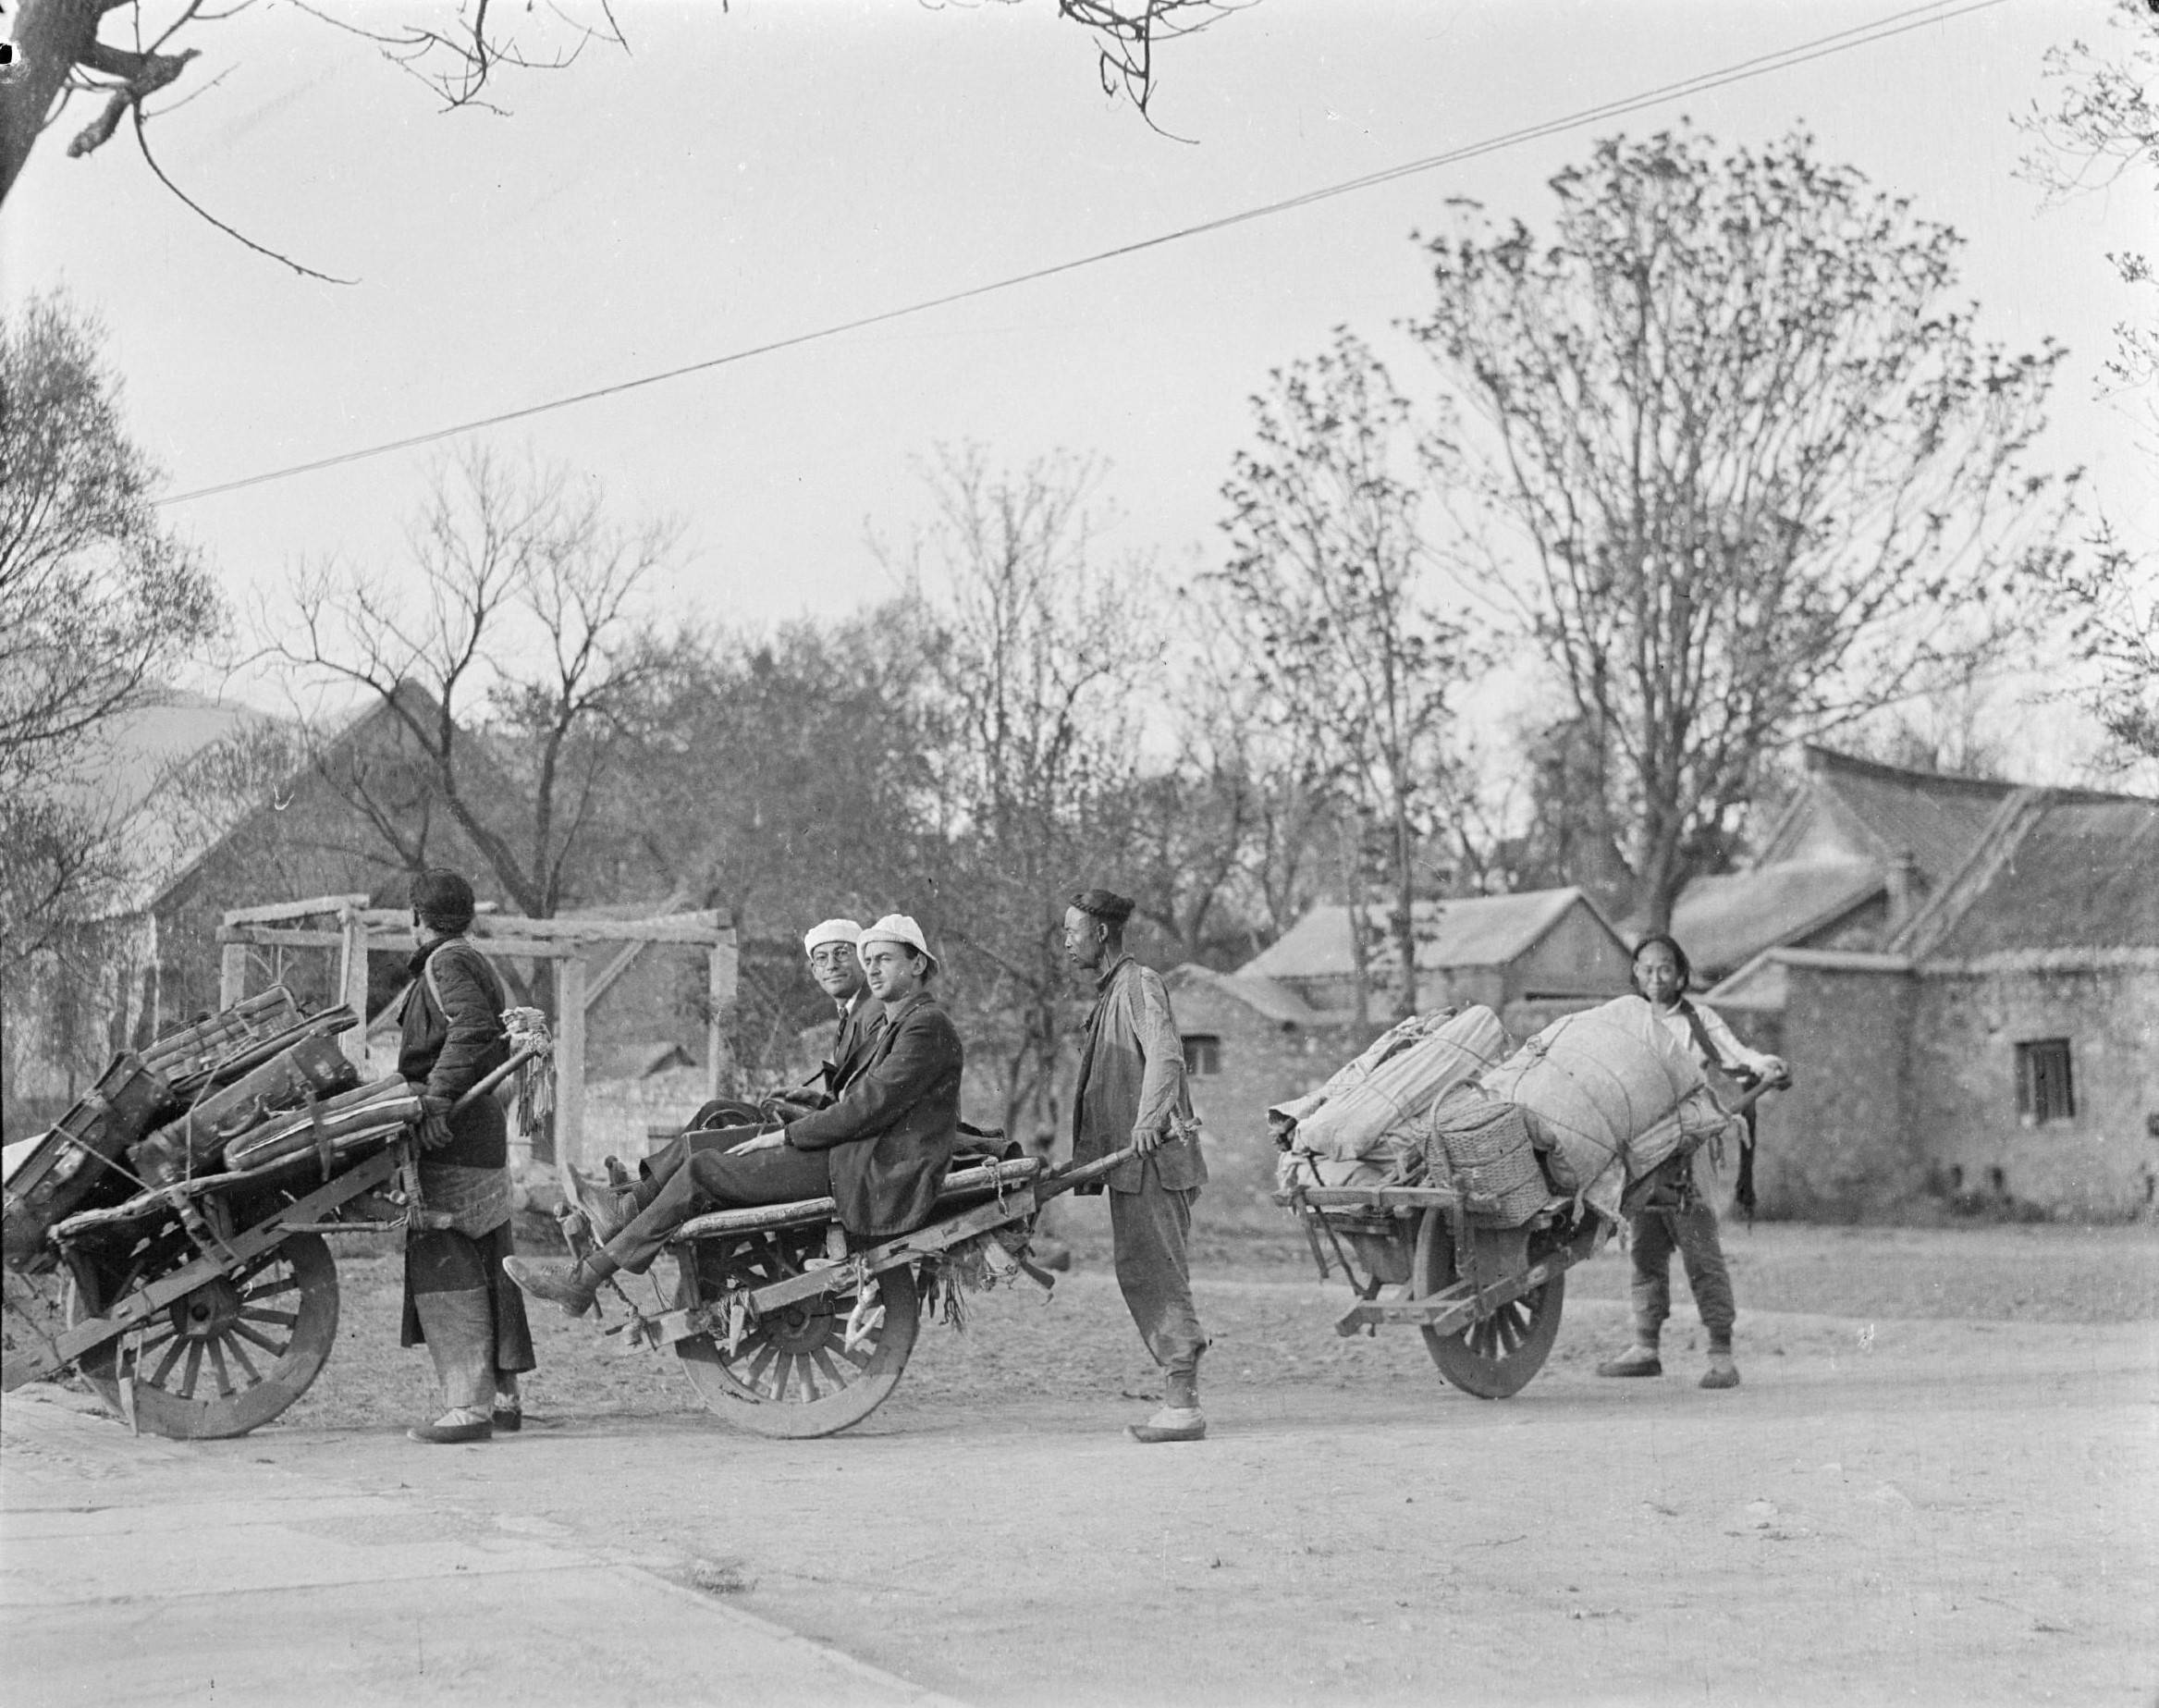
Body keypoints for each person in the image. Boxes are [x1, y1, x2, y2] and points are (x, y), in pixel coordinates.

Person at [507, 913, 963, 1316]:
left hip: (876, 1172)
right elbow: (861, 1104)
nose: (873, 970)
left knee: (704, 1169)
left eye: (884, 960)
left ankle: (586, 1278)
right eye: (871, 961)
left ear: (917, 963)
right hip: (856, 1156)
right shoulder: (899, 1022)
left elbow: (866, 1108)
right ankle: (623, 1211)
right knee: (703, 1144)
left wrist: (783, 1137)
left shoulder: (924, 1025)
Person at [1596, 931, 1790, 1392]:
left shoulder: (1697, 1020)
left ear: (1680, 974)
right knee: (1645, 1250)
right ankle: (1645, 1347)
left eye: (1664, 969)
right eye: (1645, 968)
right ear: (1635, 973)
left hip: (1686, 1146)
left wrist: (1767, 1065)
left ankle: (1721, 1354)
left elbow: (1735, 1054)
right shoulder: (1627, 1020)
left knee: (1700, 1250)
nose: (1655, 977)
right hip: (1642, 1149)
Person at [604, 916, 887, 1212]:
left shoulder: (874, 1012)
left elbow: (864, 1104)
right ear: (814, 971)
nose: (832, 965)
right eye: (822, 958)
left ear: (864, 961)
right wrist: (817, 1099)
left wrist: (817, 1111)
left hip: (840, 1151)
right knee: (715, 1111)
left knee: (719, 1136)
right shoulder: (851, 1015)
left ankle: (632, 1201)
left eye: (842, 954)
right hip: (829, 1128)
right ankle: (637, 1193)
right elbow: (851, 1092)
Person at [1062, 887, 1210, 1444]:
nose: (1066, 942)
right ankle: (1177, 1398)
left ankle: (1183, 1407)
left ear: (1100, 933)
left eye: (1072, 931)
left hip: (1156, 1163)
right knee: (1140, 1270)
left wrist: (1149, 1118)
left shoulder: (1140, 983)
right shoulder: (1109, 994)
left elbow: (1166, 1053)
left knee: (1156, 1273)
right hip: (1133, 1167)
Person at [399, 868, 537, 1444]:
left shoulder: (442, 963)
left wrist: (434, 1100)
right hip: (478, 1129)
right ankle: (503, 1398)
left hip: (450, 1132)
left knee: (446, 1252)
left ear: (416, 919)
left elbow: (472, 1028)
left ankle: (467, 1407)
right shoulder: (474, 959)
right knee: (488, 1256)